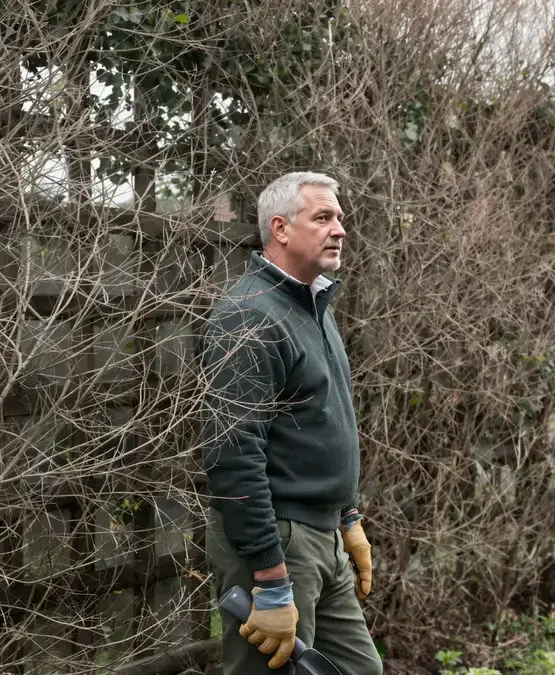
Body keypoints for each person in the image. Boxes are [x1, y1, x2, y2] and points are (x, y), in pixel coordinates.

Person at [200, 171, 383, 675]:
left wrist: (348, 517)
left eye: (339, 218)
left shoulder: (312, 305)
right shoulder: (249, 317)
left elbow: (316, 425)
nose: (339, 229)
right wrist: (270, 578)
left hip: (324, 536)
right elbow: (232, 455)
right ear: (280, 228)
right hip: (278, 542)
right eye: (322, 217)